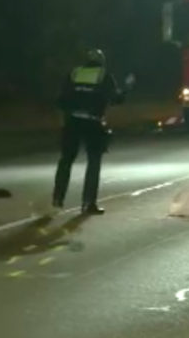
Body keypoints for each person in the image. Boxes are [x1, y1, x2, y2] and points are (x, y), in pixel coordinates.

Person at [52, 49, 133, 215]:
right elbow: (115, 99)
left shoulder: (74, 73)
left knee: (66, 160)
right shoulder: (104, 75)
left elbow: (60, 99)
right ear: (102, 61)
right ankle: (88, 203)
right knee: (94, 162)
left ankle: (57, 200)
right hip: (93, 122)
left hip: (72, 122)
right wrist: (126, 89)